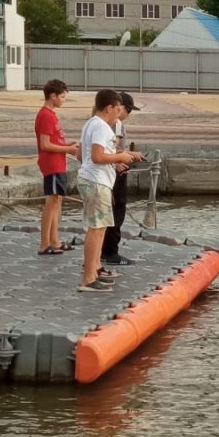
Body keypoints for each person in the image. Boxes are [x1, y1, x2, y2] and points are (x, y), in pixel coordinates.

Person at [77, 90, 143, 292]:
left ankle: (95, 268)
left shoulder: (91, 123)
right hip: (97, 181)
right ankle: (88, 278)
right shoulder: (102, 127)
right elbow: (98, 156)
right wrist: (120, 159)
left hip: (93, 179)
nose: (119, 113)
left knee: (100, 227)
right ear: (110, 108)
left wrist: (125, 154)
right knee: (96, 230)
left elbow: (84, 153)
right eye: (118, 108)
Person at [35, 79, 80, 256]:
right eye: (62, 96)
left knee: (57, 201)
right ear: (52, 96)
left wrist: (66, 145)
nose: (64, 99)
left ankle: (55, 240)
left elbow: (53, 141)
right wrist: (68, 149)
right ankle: (44, 243)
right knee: (51, 202)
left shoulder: (51, 115)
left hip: (58, 162)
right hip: (51, 164)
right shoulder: (45, 115)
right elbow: (45, 144)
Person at [101, 91, 139, 267]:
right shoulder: (115, 125)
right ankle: (110, 252)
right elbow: (111, 150)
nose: (128, 115)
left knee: (108, 214)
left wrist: (130, 154)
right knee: (116, 212)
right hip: (114, 173)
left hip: (110, 171)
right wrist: (120, 160)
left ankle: (103, 251)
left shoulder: (101, 123)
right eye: (128, 110)